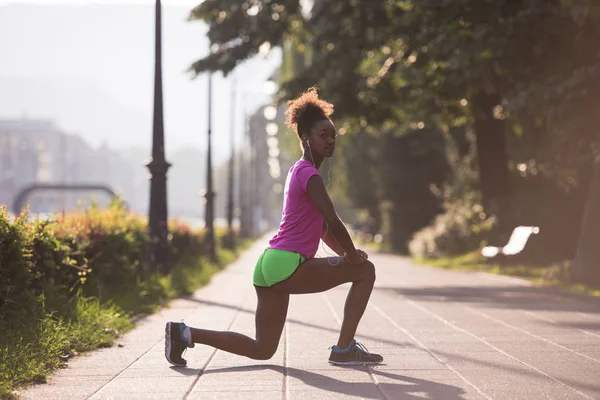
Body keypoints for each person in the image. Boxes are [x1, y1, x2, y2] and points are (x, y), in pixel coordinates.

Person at [165, 86, 383, 367]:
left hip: (268, 265)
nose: (330, 141)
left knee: (262, 349)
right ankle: (344, 350)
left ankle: (183, 333)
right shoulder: (310, 174)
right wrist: (352, 257)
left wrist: (345, 254)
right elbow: (332, 220)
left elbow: (322, 229)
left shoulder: (297, 171)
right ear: (305, 139)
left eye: (333, 136)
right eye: (323, 136)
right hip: (288, 265)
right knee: (365, 271)